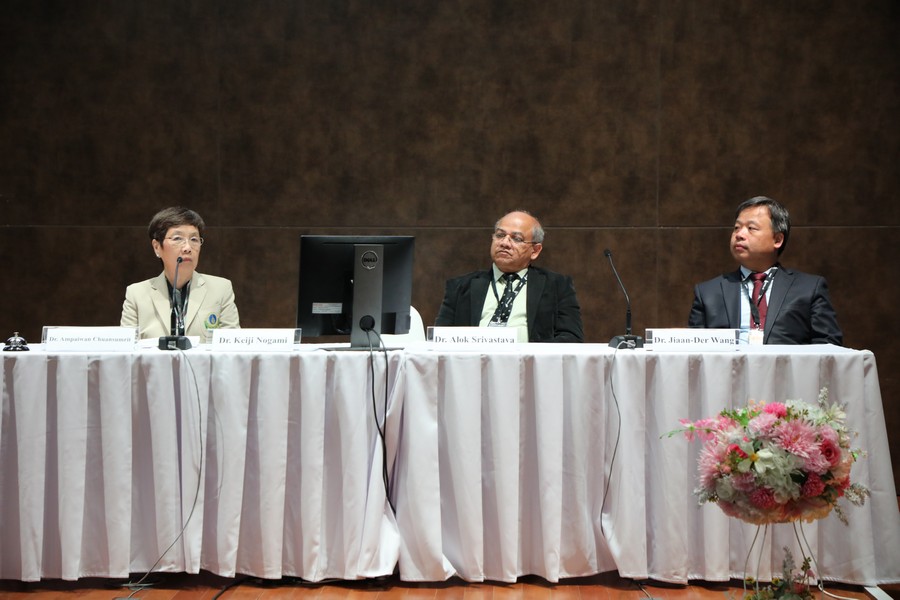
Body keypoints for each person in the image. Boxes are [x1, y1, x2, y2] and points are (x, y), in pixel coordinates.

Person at [688, 196, 842, 345]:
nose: (739, 235)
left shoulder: (808, 289)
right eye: (736, 228)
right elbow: (694, 353)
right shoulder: (708, 293)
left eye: (751, 228)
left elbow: (829, 349)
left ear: (777, 240)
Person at [435, 210, 584, 342]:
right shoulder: (460, 286)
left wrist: (529, 354)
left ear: (535, 251)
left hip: (529, 363)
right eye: (500, 235)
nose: (505, 243)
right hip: (473, 362)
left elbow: (571, 338)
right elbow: (439, 338)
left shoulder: (557, 286)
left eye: (516, 238)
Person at [121, 207, 240, 340]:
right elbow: (126, 348)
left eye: (194, 239)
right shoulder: (136, 294)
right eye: (178, 238)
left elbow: (233, 344)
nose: (187, 248)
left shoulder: (220, 289)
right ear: (157, 247)